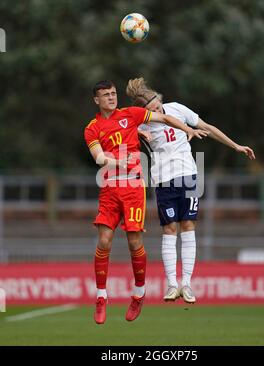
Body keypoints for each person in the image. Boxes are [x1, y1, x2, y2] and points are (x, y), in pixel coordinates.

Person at [84, 80, 207, 324]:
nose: (111, 97)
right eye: (105, 95)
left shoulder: (131, 114)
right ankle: (101, 297)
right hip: (109, 187)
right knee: (104, 240)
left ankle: (139, 293)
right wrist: (119, 162)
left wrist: (188, 129)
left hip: (133, 188)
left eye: (113, 93)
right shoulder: (92, 128)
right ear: (96, 100)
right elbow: (98, 157)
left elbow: (164, 118)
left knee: (134, 242)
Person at [126, 77, 255, 304]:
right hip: (163, 180)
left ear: (160, 99)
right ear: (144, 111)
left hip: (188, 175)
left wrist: (236, 146)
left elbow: (207, 128)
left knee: (188, 225)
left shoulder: (176, 109)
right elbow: (123, 139)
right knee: (169, 229)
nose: (158, 111)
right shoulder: (141, 123)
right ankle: (172, 284)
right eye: (152, 110)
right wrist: (136, 135)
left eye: (157, 106)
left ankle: (186, 283)